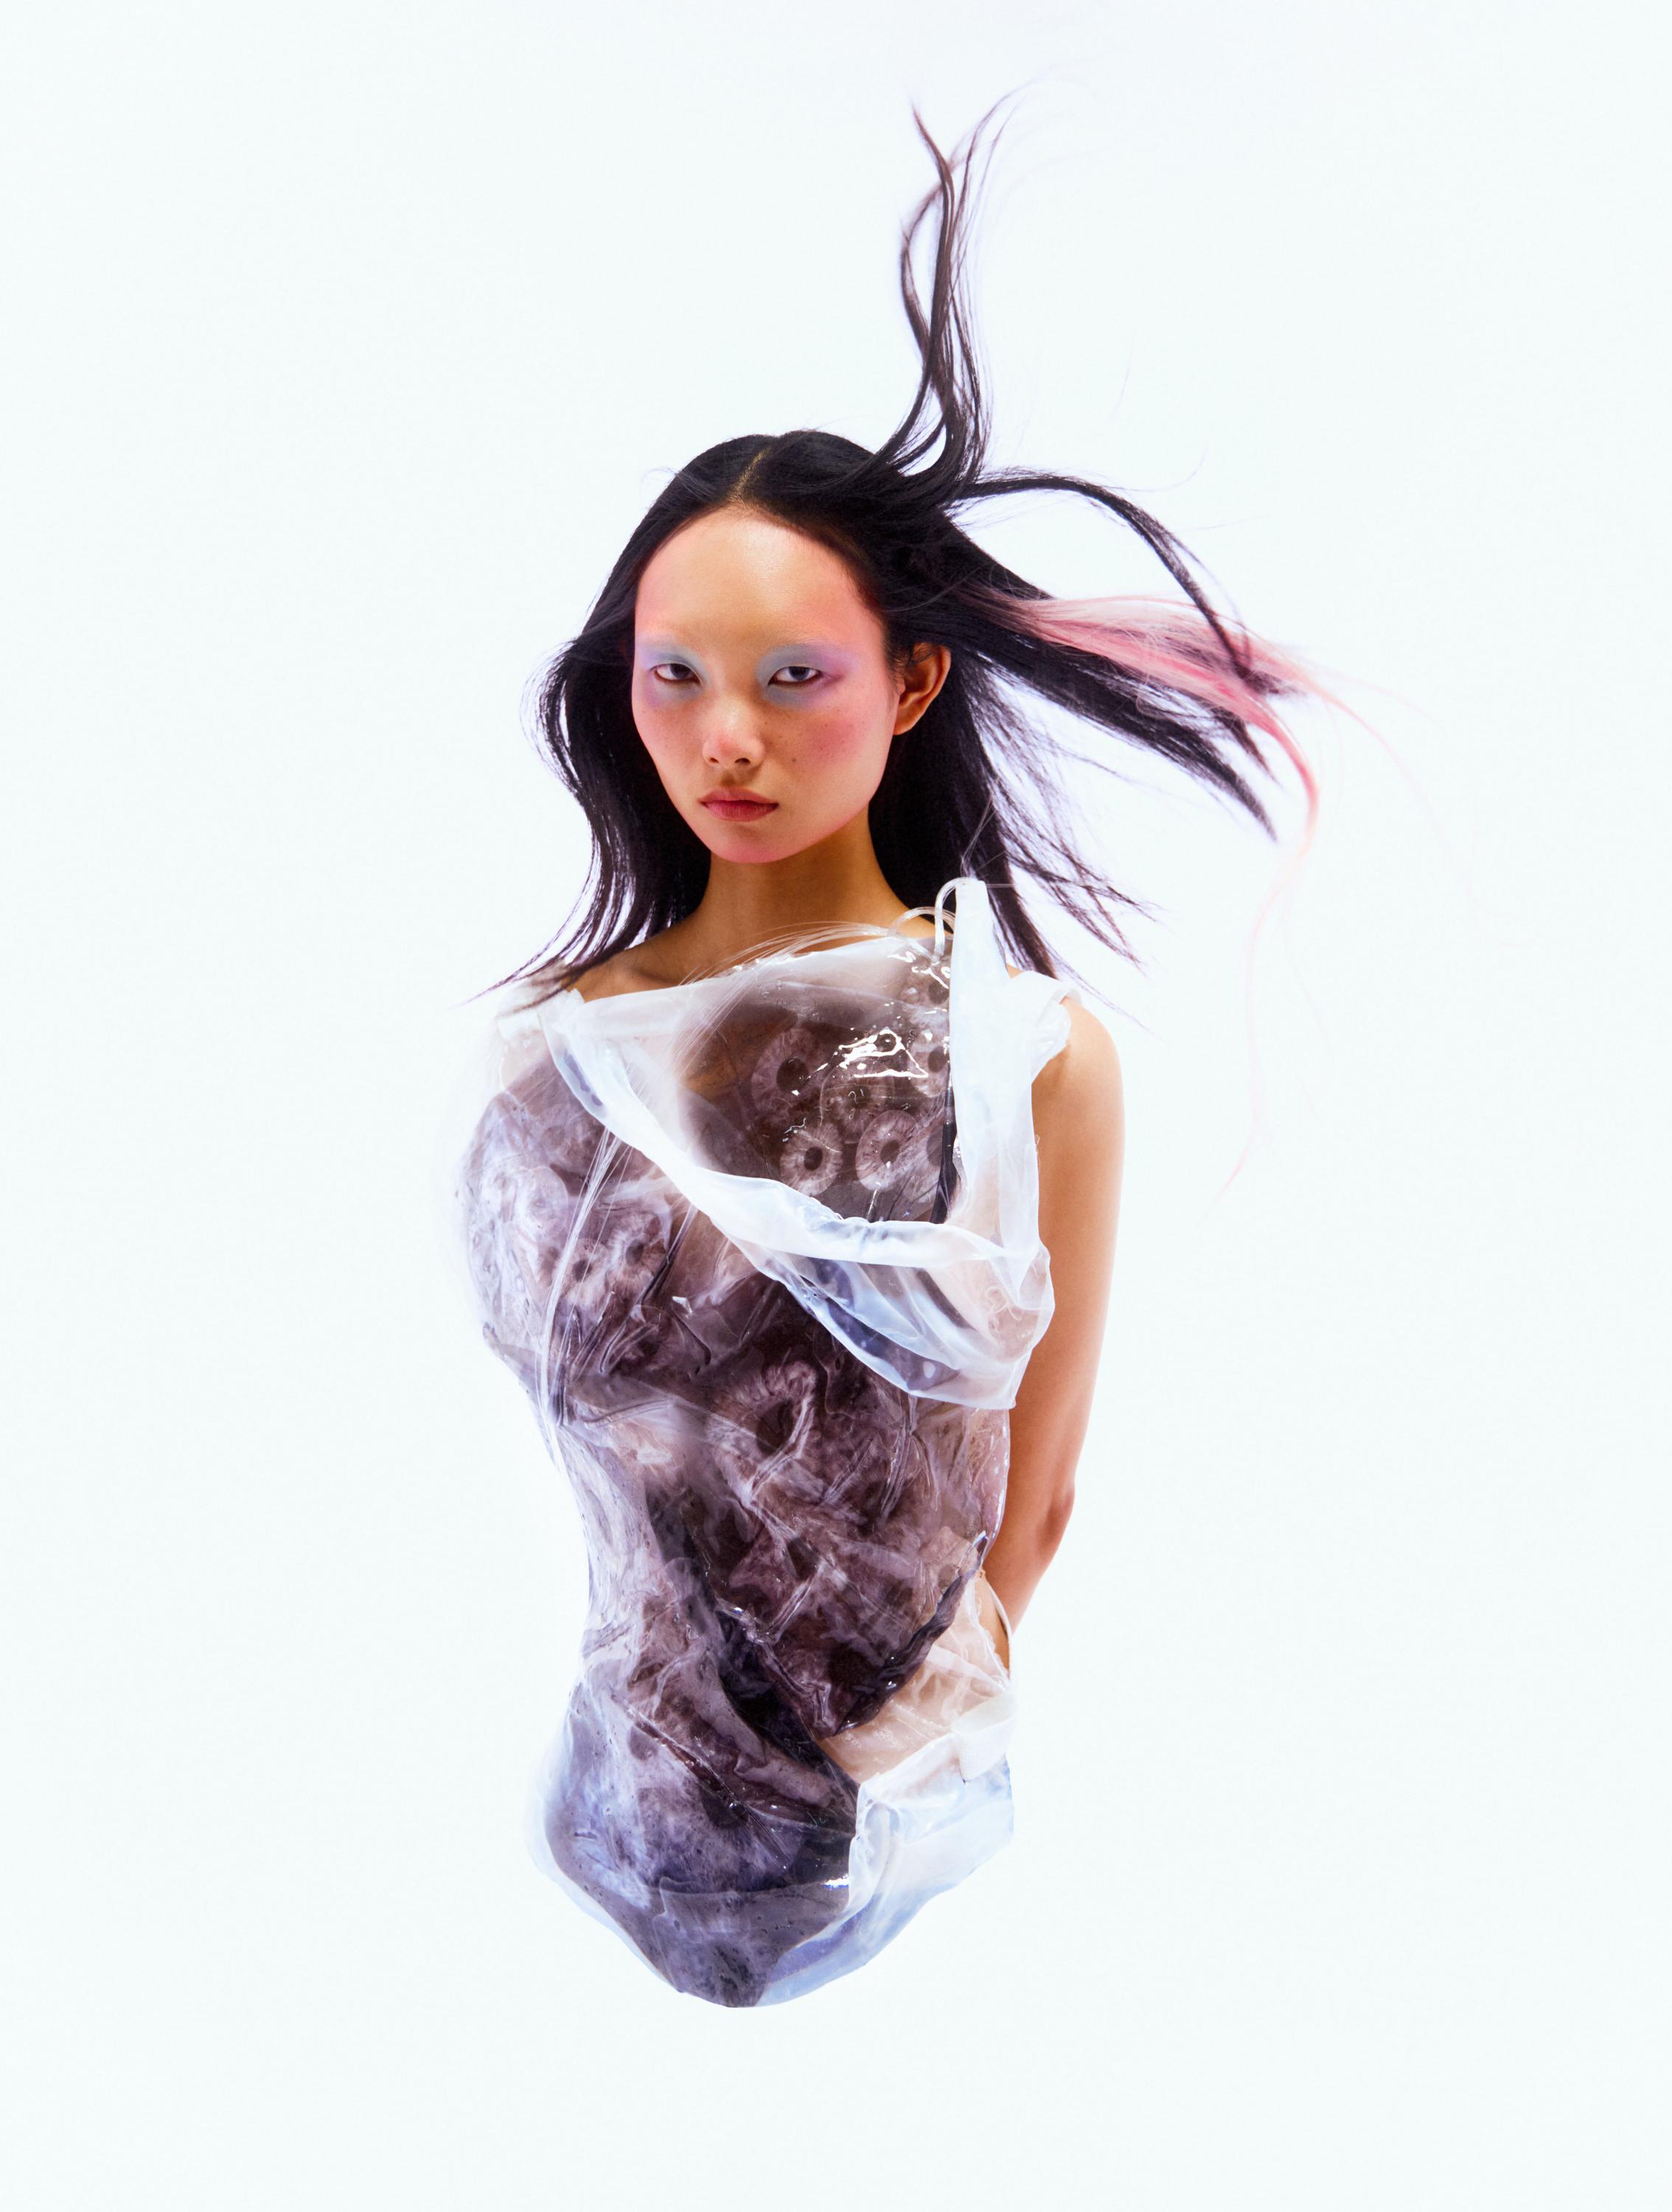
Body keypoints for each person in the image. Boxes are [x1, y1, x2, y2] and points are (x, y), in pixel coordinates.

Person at [453, 103, 1324, 2007]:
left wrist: (884, 1777)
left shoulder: (1026, 1063)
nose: (728, 740)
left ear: (914, 679)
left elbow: (1035, 1503)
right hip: (649, 1815)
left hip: (852, 1838)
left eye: (796, 678)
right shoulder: (557, 1065)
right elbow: (642, 1474)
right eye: (677, 675)